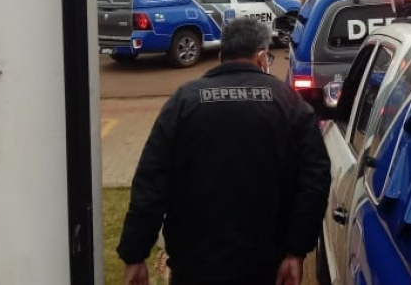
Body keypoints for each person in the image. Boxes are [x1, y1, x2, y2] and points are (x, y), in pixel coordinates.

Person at [117, 17, 331, 285]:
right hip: (268, 264)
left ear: (220, 56)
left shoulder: (184, 101)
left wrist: (135, 254)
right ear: (263, 57)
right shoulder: (289, 103)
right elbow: (315, 180)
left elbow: (150, 181)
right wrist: (296, 251)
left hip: (195, 266)